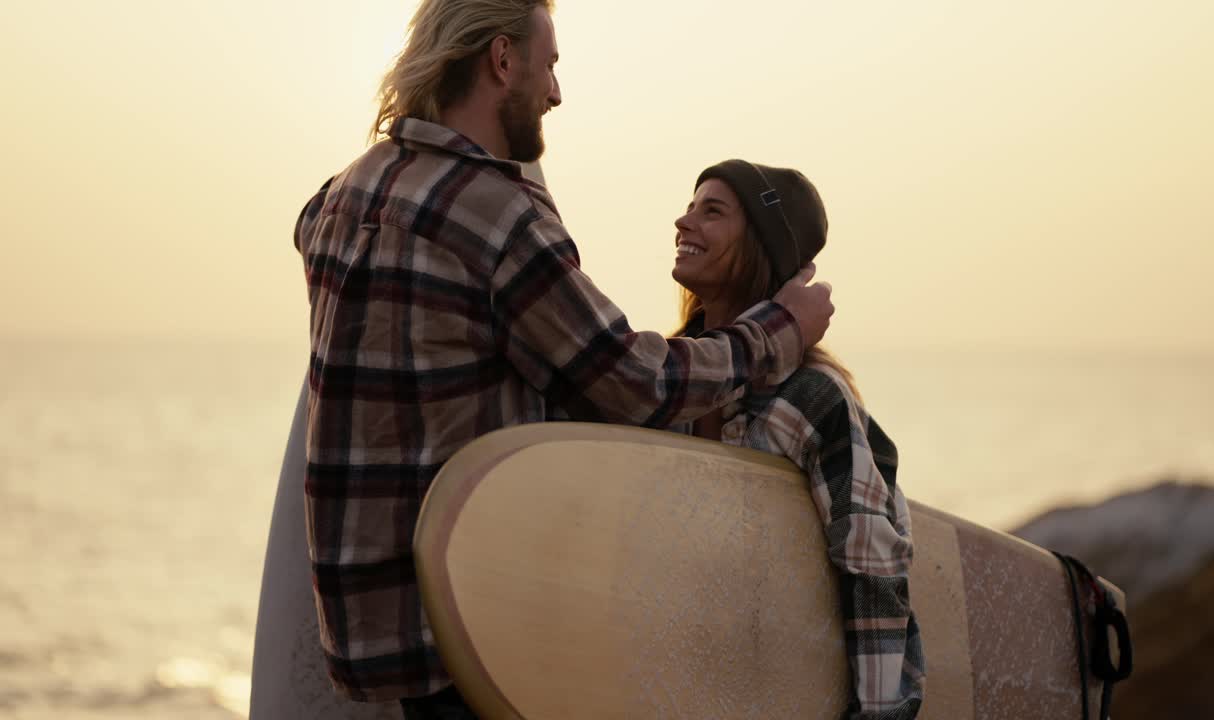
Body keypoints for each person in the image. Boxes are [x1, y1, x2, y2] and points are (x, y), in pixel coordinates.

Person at [292, 1, 837, 717]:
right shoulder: (496, 216)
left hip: (370, 622)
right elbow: (637, 383)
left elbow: (317, 245)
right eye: (549, 66)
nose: (555, 93)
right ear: (501, 60)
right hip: (471, 623)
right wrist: (782, 330)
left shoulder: (344, 191)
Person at [670, 160, 925, 719]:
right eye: (690, 207)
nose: (683, 223)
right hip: (674, 676)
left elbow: (871, 563)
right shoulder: (663, 381)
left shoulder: (811, 398)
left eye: (710, 211)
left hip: (772, 685)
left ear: (761, 244)